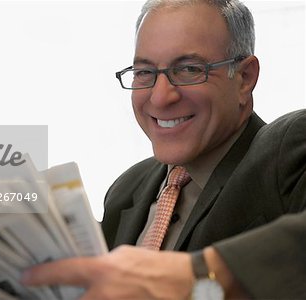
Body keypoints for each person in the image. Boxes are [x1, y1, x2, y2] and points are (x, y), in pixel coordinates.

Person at [21, 0, 306, 298]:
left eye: (189, 69)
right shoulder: (128, 188)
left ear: (245, 78)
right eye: (144, 73)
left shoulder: (287, 148)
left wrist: (196, 276)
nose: (159, 98)